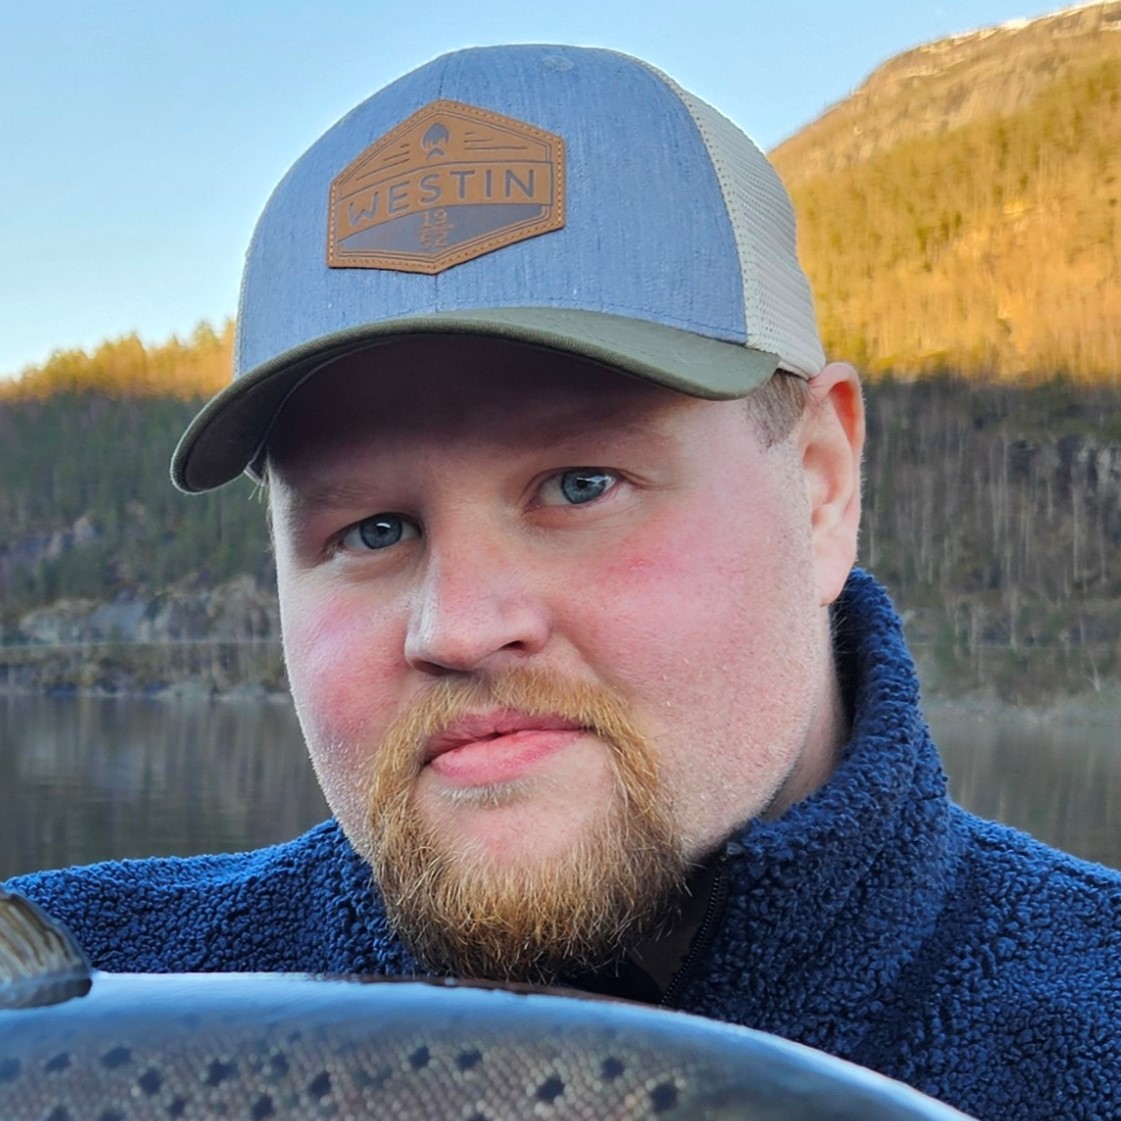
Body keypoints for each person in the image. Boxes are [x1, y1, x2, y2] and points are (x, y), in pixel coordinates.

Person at [7, 45, 1120, 1121]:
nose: (459, 626)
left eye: (579, 485)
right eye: (372, 529)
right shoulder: (79, 980)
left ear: (821, 485)